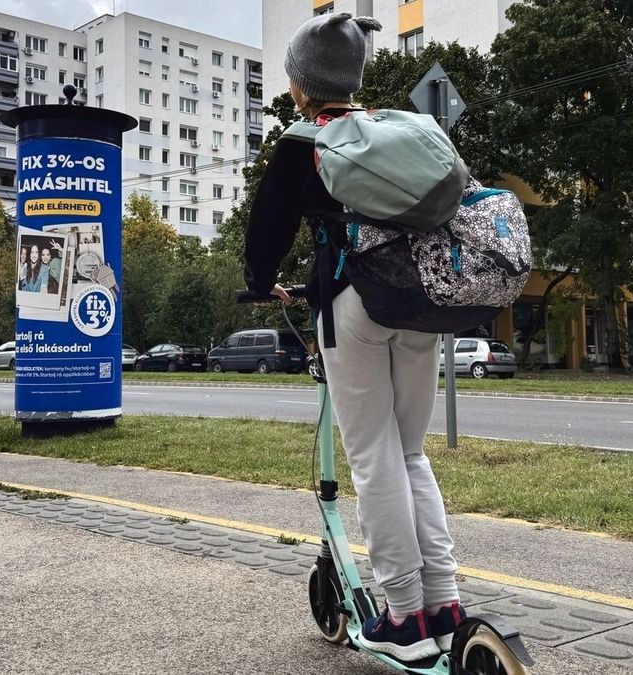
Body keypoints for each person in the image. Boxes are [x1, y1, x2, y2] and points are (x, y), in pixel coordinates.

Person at [243, 12, 464, 663]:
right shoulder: (395, 130)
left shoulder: (302, 140)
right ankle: (444, 603)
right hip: (419, 304)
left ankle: (402, 616)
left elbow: (265, 235)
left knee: (372, 456)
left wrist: (262, 281)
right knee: (411, 452)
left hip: (350, 306)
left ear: (302, 83)